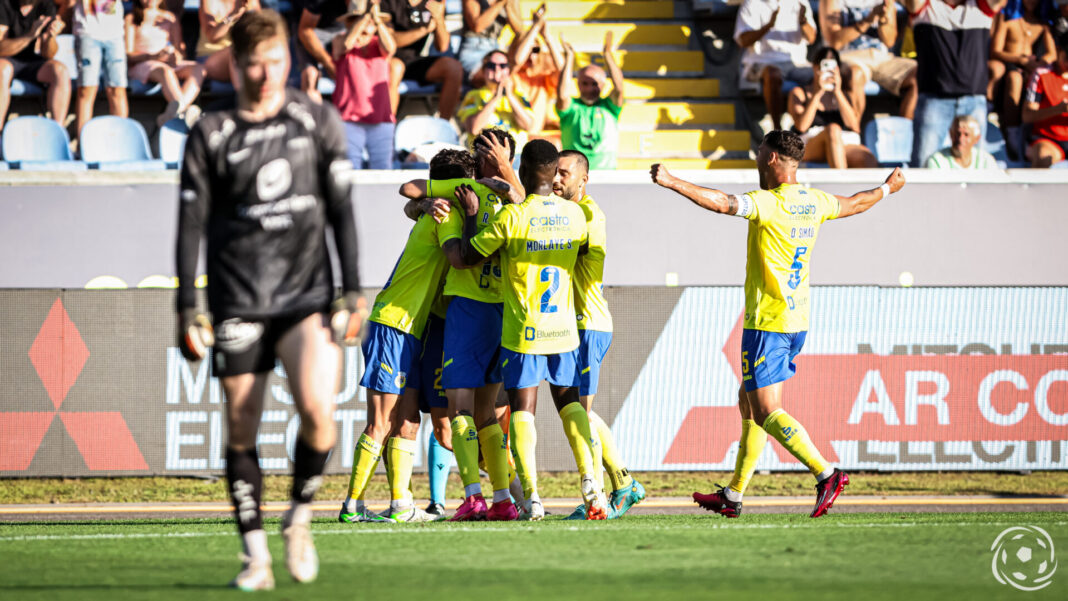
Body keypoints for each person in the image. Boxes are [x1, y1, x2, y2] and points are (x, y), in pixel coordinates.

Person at [175, 10, 363, 590]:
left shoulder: (316, 120)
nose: (265, 73)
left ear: (289, 59)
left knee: (319, 415)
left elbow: (341, 213)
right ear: (235, 62)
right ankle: (255, 555)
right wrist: (188, 306)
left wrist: (352, 289)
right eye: (254, 62)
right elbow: (190, 227)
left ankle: (298, 521)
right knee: (240, 424)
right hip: (238, 299)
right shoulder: (211, 134)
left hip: (306, 296)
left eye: (276, 61)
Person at [650, 130, 907, 518]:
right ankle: (733, 495)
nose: (756, 163)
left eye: (758, 156)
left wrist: (671, 181)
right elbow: (856, 203)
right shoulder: (814, 200)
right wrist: (888, 188)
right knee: (748, 402)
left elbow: (722, 203)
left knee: (767, 410)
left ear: (771, 159)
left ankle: (826, 474)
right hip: (797, 319)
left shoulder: (768, 203)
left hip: (767, 322)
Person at [451, 139, 609, 521]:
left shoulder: (513, 217)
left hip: (524, 330)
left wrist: (472, 215)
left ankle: (534, 496)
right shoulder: (576, 215)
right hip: (564, 330)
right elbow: (587, 253)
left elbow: (469, 256)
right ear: (555, 174)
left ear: (521, 172)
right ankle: (591, 481)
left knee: (524, 411)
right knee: (571, 405)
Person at [338, 150, 475, 525]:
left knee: (402, 418)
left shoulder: (434, 213)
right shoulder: (445, 217)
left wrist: (420, 206)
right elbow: (461, 258)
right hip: (394, 324)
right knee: (380, 422)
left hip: (406, 328)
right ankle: (352, 505)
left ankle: (400, 503)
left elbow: (412, 204)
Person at [398, 128, 524, 522]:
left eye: (490, 151)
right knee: (484, 415)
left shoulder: (485, 192)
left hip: (471, 309)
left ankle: (475, 497)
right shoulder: (514, 197)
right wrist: (426, 204)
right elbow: (410, 194)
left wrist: (442, 203)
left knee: (462, 411)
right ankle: (503, 499)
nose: (485, 156)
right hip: (499, 310)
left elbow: (409, 188)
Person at [553, 149, 645, 521]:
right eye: (554, 173)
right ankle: (623, 485)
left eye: (564, 173)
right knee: (579, 413)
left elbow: (576, 251)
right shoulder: (565, 212)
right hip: (570, 326)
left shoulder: (590, 214)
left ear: (583, 179)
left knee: (580, 413)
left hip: (588, 323)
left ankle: (604, 496)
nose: (557, 179)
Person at [906, 0, 1009, 167]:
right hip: (934, 99)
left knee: (977, 168)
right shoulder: (925, 6)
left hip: (973, 99)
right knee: (923, 165)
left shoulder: (981, 7)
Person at [819, 0, 919, 120]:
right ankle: (854, 132)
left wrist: (883, 20)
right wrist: (869, 19)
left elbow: (889, 41)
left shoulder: (886, 2)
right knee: (855, 75)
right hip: (848, 56)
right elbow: (834, 41)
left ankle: (905, 133)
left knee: (919, 74)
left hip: (881, 57)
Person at [989, 0, 1057, 160]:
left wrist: (1038, 64)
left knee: (1038, 79)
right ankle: (1011, 133)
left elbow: (1052, 54)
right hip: (1011, 65)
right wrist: (1021, 60)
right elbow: (996, 51)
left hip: (1031, 68)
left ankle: (1025, 132)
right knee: (1015, 79)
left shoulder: (1042, 24)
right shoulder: (1007, 19)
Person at [734, 0, 817, 131]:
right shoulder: (751, 3)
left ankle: (813, 127)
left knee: (824, 75)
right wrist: (768, 26)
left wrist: (803, 22)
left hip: (797, 63)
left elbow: (812, 37)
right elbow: (743, 40)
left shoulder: (800, 2)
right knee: (773, 74)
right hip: (761, 62)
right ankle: (777, 131)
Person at [331, 1, 396, 168]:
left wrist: (378, 21)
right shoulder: (340, 40)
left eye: (372, 20)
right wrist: (366, 16)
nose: (369, 23)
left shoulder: (379, 43)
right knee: (351, 173)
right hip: (349, 120)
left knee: (384, 172)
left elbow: (390, 49)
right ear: (351, 21)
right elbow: (346, 44)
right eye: (358, 19)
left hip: (381, 120)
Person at [788, 46, 877, 168]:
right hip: (811, 143)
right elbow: (802, 126)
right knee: (833, 129)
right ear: (815, 67)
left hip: (840, 143)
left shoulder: (844, 94)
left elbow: (855, 126)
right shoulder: (800, 93)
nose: (827, 71)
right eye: (823, 66)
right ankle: (841, 185)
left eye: (832, 67)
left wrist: (838, 92)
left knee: (867, 158)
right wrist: (818, 93)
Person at [125, 0, 205, 127]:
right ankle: (183, 113)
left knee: (198, 69)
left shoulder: (170, 18)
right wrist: (152, 56)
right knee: (165, 71)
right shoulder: (131, 18)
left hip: (168, 63)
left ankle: (173, 114)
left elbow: (179, 50)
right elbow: (128, 54)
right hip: (144, 63)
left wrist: (175, 56)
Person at [381, 0, 462, 120]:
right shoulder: (388, 2)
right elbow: (391, 42)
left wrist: (439, 20)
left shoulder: (433, 2)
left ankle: (444, 126)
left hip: (415, 60)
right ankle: (387, 127)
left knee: (454, 68)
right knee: (396, 67)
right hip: (389, 58)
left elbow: (443, 46)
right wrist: (424, 30)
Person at [556, 31, 624, 170]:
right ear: (578, 84)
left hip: (606, 173)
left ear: (603, 85)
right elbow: (562, 95)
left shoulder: (609, 107)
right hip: (573, 175)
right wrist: (569, 58)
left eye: (594, 84)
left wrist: (607, 56)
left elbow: (619, 88)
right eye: (585, 83)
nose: (589, 88)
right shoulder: (572, 108)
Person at [0, 0, 71, 130]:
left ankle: (57, 133)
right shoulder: (5, 4)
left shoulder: (46, 5)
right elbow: (1, 49)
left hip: (31, 62)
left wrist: (51, 37)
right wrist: (31, 35)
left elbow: (48, 54)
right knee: (2, 69)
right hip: (7, 60)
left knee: (61, 71)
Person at [458, 49, 536, 146]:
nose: (497, 69)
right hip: (486, 153)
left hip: (517, 154)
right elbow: (474, 129)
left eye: (502, 66)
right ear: (483, 70)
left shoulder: (519, 94)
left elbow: (528, 125)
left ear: (508, 70)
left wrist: (510, 96)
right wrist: (496, 97)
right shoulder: (473, 95)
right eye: (491, 66)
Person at [73, 0, 128, 137]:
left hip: (114, 33)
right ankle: (82, 146)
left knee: (117, 90)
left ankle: (121, 143)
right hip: (87, 31)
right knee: (86, 90)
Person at [509, 3, 563, 132]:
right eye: (527, 49)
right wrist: (535, 28)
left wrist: (547, 37)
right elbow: (517, 60)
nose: (531, 55)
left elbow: (562, 69)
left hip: (535, 137)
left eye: (535, 50)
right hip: (515, 134)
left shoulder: (543, 78)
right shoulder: (510, 74)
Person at [1023, 29, 1068, 166]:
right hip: (1049, 140)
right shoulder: (1042, 74)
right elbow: (1027, 115)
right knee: (1043, 156)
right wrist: (1058, 109)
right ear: (1059, 51)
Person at [196, 0, 260, 86]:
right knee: (235, 50)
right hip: (209, 57)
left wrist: (249, 13)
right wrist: (233, 15)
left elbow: (261, 31)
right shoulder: (209, 2)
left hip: (242, 56)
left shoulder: (250, 2)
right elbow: (213, 37)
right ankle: (245, 95)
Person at [457, 0, 521, 80]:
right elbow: (477, 27)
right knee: (487, 77)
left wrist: (508, 9)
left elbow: (520, 31)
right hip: (474, 47)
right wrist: (501, 3)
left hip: (495, 47)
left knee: (504, 75)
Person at [924, 114, 999, 167]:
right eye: (957, 134)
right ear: (951, 134)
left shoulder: (986, 161)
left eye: (966, 135)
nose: (960, 139)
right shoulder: (937, 161)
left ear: (976, 138)